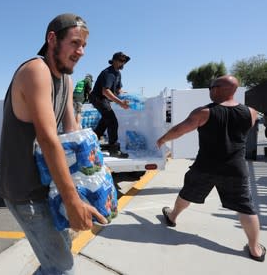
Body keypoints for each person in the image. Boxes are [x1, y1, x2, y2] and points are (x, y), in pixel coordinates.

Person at [0, 13, 107, 274]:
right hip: (24, 190)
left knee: (56, 260)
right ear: (52, 39)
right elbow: (48, 139)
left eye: (84, 46)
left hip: (48, 186)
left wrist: (96, 175)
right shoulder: (36, 71)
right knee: (62, 267)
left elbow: (71, 134)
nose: (80, 52)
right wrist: (72, 201)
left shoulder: (66, 80)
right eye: (75, 43)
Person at [156, 75, 265, 262]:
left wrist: (162, 140)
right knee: (246, 208)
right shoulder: (251, 113)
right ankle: (255, 249)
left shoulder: (204, 112)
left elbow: (180, 129)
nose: (210, 90)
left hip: (204, 167)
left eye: (211, 87)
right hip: (235, 169)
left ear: (218, 89)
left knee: (187, 193)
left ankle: (172, 217)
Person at [89, 52, 131, 158]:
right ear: (114, 61)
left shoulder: (118, 73)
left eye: (124, 61)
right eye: (121, 60)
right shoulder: (109, 73)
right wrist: (121, 103)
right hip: (98, 98)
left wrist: (130, 97)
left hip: (104, 99)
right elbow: (105, 91)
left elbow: (118, 89)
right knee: (112, 122)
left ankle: (90, 144)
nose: (123, 63)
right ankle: (114, 150)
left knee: (104, 122)